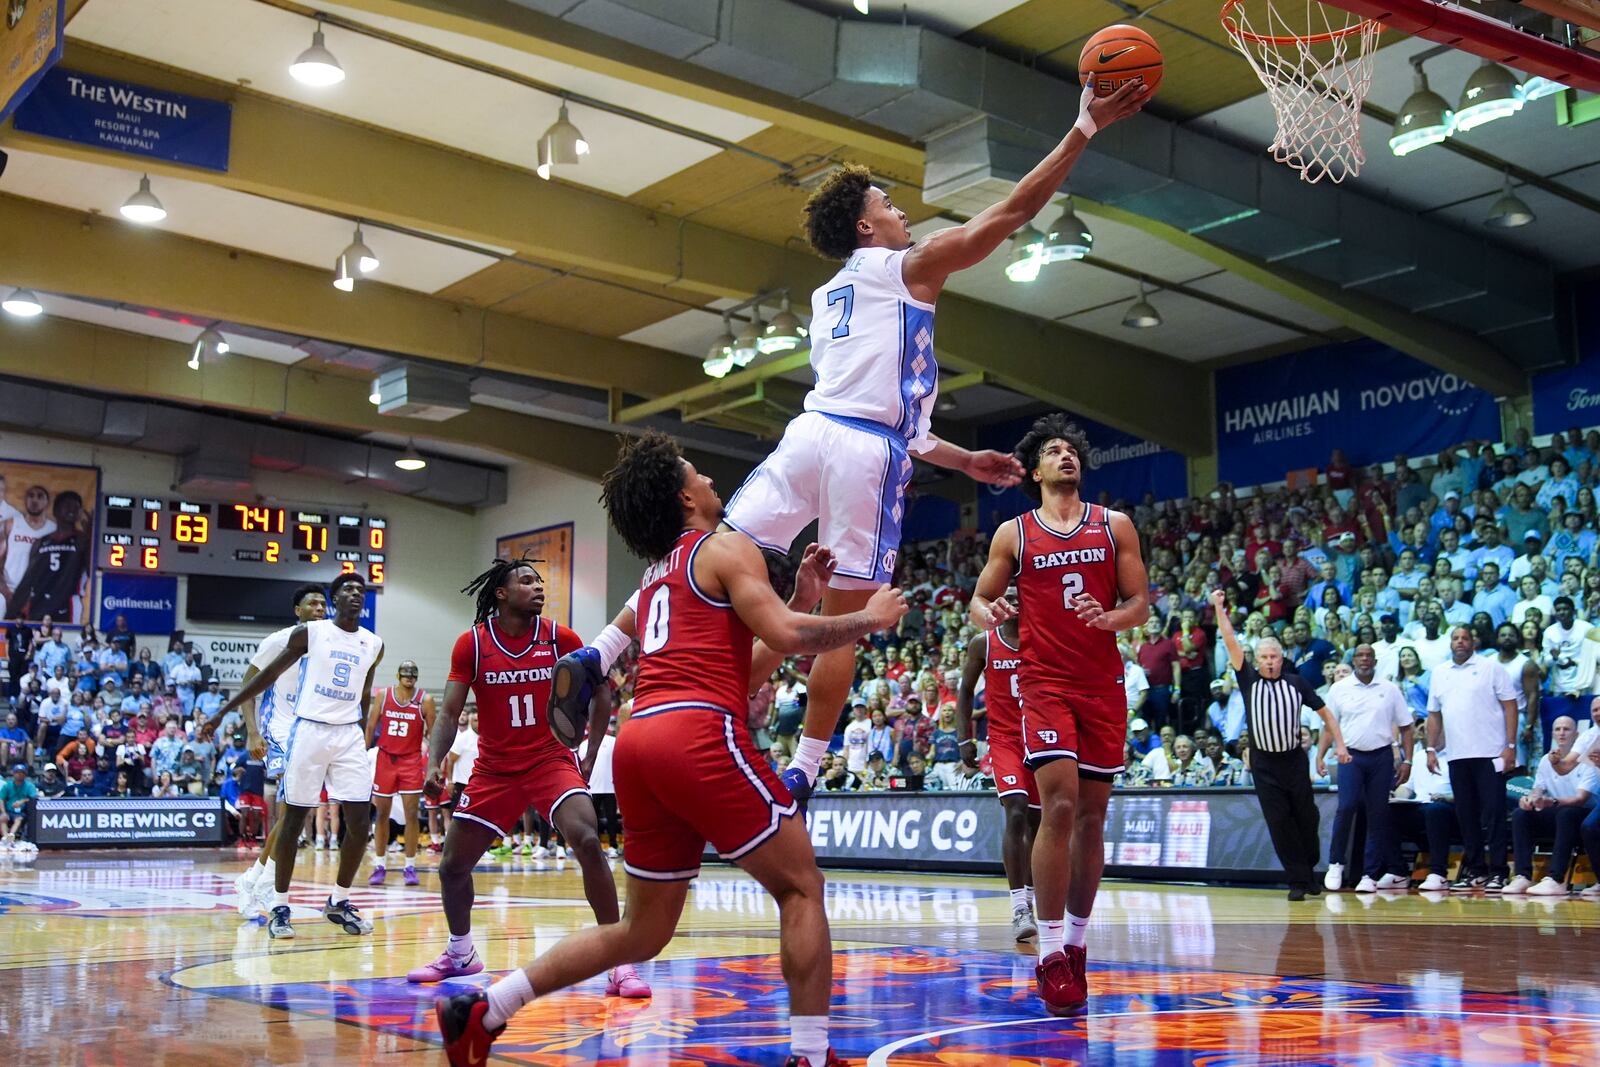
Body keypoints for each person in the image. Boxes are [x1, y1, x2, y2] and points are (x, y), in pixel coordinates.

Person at [688, 80, 1148, 805]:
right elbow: (1015, 211)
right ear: (867, 229)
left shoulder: (827, 296)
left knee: (725, 562)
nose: (900, 212)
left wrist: (963, 459)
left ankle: (680, 701)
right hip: (864, 452)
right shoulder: (908, 267)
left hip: (810, 433)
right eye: (887, 205)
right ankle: (804, 770)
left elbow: (874, 407)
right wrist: (1083, 127)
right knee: (842, 620)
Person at [434, 429, 907, 1067]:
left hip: (642, 744)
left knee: (643, 930)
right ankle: (811, 1054)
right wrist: (866, 618)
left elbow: (739, 674)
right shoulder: (725, 547)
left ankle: (486, 1009)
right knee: (800, 887)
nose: (712, 481)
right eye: (700, 474)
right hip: (697, 736)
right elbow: (791, 638)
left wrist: (798, 599)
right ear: (686, 497)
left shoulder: (658, 578)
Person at [967, 414, 1150, 1016]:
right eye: (1053, 450)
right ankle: (1047, 953)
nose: (1065, 456)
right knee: (1060, 805)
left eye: (1072, 450)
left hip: (1102, 685)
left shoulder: (1114, 524)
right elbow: (978, 600)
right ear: (1036, 471)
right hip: (1043, 683)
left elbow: (1140, 603)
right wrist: (988, 614)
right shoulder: (1014, 534)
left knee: (1093, 820)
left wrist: (1111, 619)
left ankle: (1075, 945)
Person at [409, 556, 647, 999]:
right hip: (494, 769)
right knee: (452, 867)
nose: (538, 587)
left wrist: (592, 753)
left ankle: (618, 960)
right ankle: (461, 953)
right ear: (501, 593)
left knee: (589, 840)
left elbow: (600, 693)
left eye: (539, 581)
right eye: (526, 580)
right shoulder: (472, 644)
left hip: (549, 761)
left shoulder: (561, 637)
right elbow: (449, 711)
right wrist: (434, 764)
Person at [207, 573, 383, 939]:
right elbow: (263, 676)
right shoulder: (301, 636)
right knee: (291, 818)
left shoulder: (373, 643)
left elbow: (365, 694)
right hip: (297, 726)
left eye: (360, 591)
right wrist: (228, 713)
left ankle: (336, 900)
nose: (354, 595)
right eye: (345, 591)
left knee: (359, 822)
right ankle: (277, 901)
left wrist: (361, 736)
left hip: (346, 732)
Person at [1212, 588, 1349, 901]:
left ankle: (1310, 867)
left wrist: (1339, 745)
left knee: (1306, 817)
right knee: (1278, 821)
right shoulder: (1248, 679)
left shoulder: (1297, 682)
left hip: (1293, 760)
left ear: (1281, 658)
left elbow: (1325, 712)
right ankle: (1298, 881)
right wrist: (1220, 607)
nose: (1269, 662)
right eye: (1264, 657)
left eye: (1274, 657)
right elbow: (1231, 640)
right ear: (1256, 660)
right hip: (1264, 764)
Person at [210, 583, 327, 920]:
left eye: (323, 604)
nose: (319, 609)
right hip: (278, 729)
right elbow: (248, 684)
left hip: (309, 731)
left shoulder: (327, 643)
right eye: (312, 604)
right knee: (290, 811)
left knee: (298, 812)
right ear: (297, 611)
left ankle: (254, 877)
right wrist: (252, 731)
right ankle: (259, 880)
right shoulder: (278, 641)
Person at [956, 589, 1037, 942]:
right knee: (1016, 811)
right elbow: (964, 692)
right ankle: (1019, 906)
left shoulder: (1044, 640)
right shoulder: (983, 643)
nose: (1014, 601)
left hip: (1041, 735)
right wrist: (964, 738)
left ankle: (1034, 902)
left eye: (1019, 595)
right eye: (1006, 596)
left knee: (1038, 821)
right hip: (1003, 740)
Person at [1425, 626, 1518, 892]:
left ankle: (1499, 872)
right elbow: (1434, 714)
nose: (1461, 642)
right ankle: (1475, 870)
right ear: (1450, 643)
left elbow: (1510, 705)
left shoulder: (1491, 667)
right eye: (1456, 638)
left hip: (1490, 754)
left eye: (1465, 638)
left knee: (1495, 814)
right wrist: (1431, 749)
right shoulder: (1440, 673)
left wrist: (1510, 746)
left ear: (1473, 642)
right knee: (1466, 816)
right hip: (1456, 755)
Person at [1317, 645, 1414, 893]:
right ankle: (1336, 863)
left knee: (1377, 814)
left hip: (1381, 756)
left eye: (1368, 655)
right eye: (1360, 655)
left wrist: (1407, 760)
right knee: (1346, 806)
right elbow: (1329, 726)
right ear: (1354, 660)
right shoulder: (1339, 689)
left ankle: (1369, 875)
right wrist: (1319, 755)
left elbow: (1406, 727)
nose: (1364, 659)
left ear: (1375, 660)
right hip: (1350, 755)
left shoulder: (1390, 689)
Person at [1507, 715, 1597, 895]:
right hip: (1556, 811)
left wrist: (1553, 802)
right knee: (1520, 814)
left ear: (1576, 734)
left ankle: (1556, 879)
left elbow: (1580, 799)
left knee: (1566, 813)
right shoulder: (1545, 760)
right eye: (1558, 729)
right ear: (1553, 734)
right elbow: (1538, 789)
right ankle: (1522, 876)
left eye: (1566, 729)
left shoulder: (1588, 760)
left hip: (1582, 814)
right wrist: (1530, 799)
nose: (1562, 733)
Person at [366, 660, 435, 887]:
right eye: (406, 675)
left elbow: (434, 734)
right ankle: (379, 865)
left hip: (411, 761)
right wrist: (363, 753)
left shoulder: (425, 700)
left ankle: (410, 866)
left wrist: (434, 764)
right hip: (386, 758)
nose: (409, 678)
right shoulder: (384, 696)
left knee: (411, 813)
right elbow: (370, 726)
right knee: (381, 813)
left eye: (413, 676)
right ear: (398, 676)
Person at [5, 490, 89, 622]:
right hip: (39, 603)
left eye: (76, 507)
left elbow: (91, 570)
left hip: (68, 605)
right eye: (67, 505)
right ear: (55, 510)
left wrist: (91, 533)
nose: (72, 510)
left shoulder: (83, 540)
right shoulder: (41, 542)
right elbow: (28, 581)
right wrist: (11, 614)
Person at [0, 764, 37, 851]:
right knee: (3, 818)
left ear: (25, 774)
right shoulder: (7, 785)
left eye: (22, 773)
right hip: (9, 811)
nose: (19, 774)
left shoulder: (29, 786)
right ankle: (5, 837)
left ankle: (11, 835)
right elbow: (1, 799)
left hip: (22, 812)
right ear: (13, 774)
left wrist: (22, 801)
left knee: (19, 819)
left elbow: (33, 798)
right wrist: (3, 812)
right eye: (17, 772)